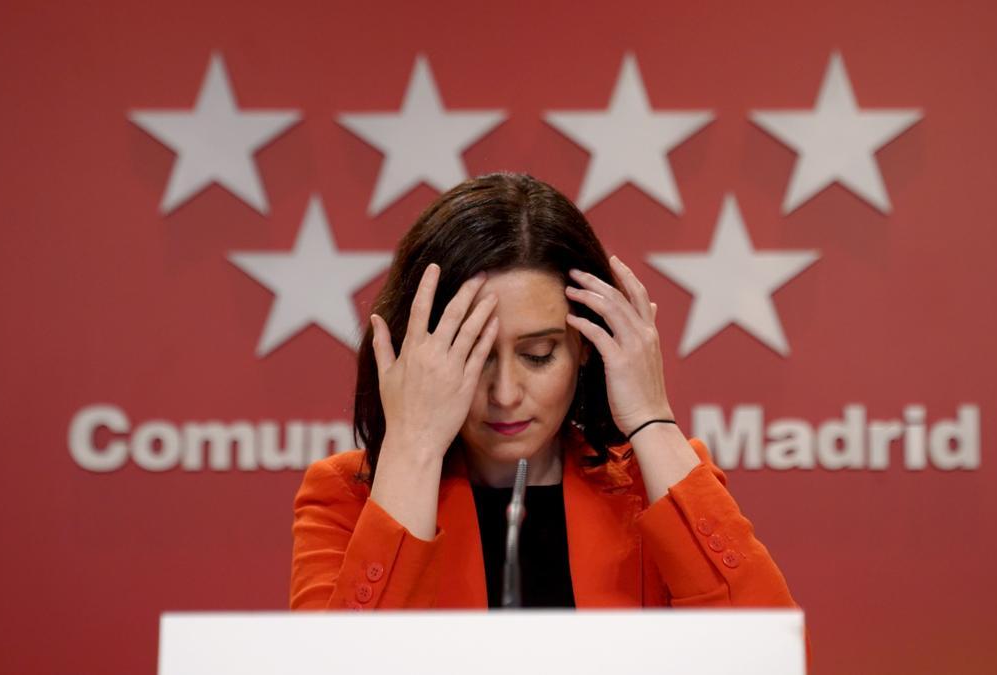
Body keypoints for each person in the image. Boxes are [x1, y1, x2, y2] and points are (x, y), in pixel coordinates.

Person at [289, 173, 803, 623]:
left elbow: (763, 649)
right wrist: (413, 447)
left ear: (586, 345)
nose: (506, 394)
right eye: (475, 356)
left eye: (538, 355)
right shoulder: (346, 498)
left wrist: (650, 418)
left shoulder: (654, 483)